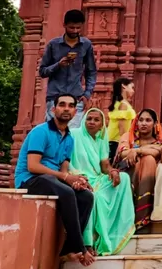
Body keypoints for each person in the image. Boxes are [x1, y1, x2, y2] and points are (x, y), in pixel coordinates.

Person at [16, 93, 97, 266]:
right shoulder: (41, 131)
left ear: (75, 111)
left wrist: (75, 181)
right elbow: (33, 166)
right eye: (62, 105)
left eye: (70, 106)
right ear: (54, 109)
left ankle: (67, 249)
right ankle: (80, 248)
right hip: (30, 180)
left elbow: (64, 170)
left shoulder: (69, 139)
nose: (66, 109)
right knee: (67, 193)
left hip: (52, 181)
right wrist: (65, 178)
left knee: (86, 196)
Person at [70, 107, 136, 256]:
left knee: (124, 178)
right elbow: (65, 160)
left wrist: (113, 171)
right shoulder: (74, 135)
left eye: (96, 120)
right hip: (78, 176)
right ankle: (89, 242)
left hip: (96, 176)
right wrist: (75, 176)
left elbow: (105, 165)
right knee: (96, 198)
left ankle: (117, 230)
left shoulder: (101, 139)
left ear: (102, 124)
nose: (92, 122)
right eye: (89, 119)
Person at [38, 9, 97, 129]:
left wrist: (87, 94)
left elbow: (91, 71)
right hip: (55, 97)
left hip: (76, 97)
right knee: (53, 133)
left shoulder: (86, 45)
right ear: (64, 25)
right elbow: (42, 71)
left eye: (78, 28)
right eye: (71, 28)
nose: (75, 31)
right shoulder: (53, 45)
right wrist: (58, 65)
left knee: (73, 135)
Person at [116, 108, 162, 231]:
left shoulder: (160, 143)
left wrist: (136, 150)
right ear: (136, 123)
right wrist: (133, 152)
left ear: (155, 124)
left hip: (147, 179)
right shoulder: (128, 136)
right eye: (141, 120)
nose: (143, 123)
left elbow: (157, 152)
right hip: (126, 174)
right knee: (142, 161)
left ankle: (142, 218)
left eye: (148, 120)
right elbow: (122, 153)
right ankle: (136, 216)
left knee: (148, 160)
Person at [106, 77, 136, 162]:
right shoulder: (123, 105)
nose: (133, 91)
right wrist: (124, 143)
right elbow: (121, 127)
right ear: (124, 86)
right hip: (117, 141)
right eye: (132, 87)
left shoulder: (120, 103)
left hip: (114, 141)